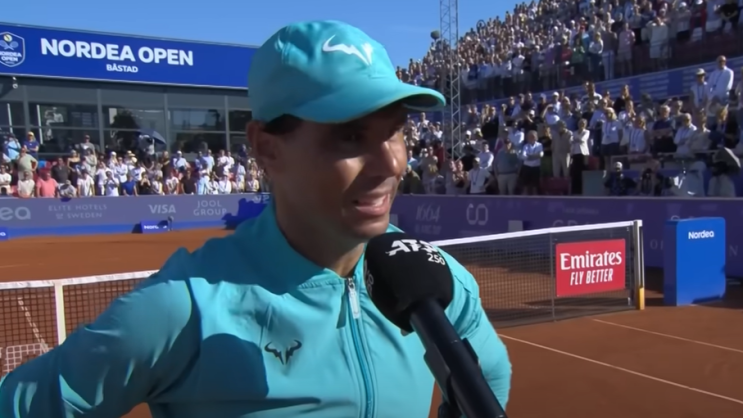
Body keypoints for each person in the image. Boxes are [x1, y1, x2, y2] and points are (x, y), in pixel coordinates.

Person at [0, 20, 511, 418]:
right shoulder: (184, 307)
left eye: (395, 132)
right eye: (351, 136)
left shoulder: (437, 279)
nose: (393, 163)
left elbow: (487, 380)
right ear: (267, 148)